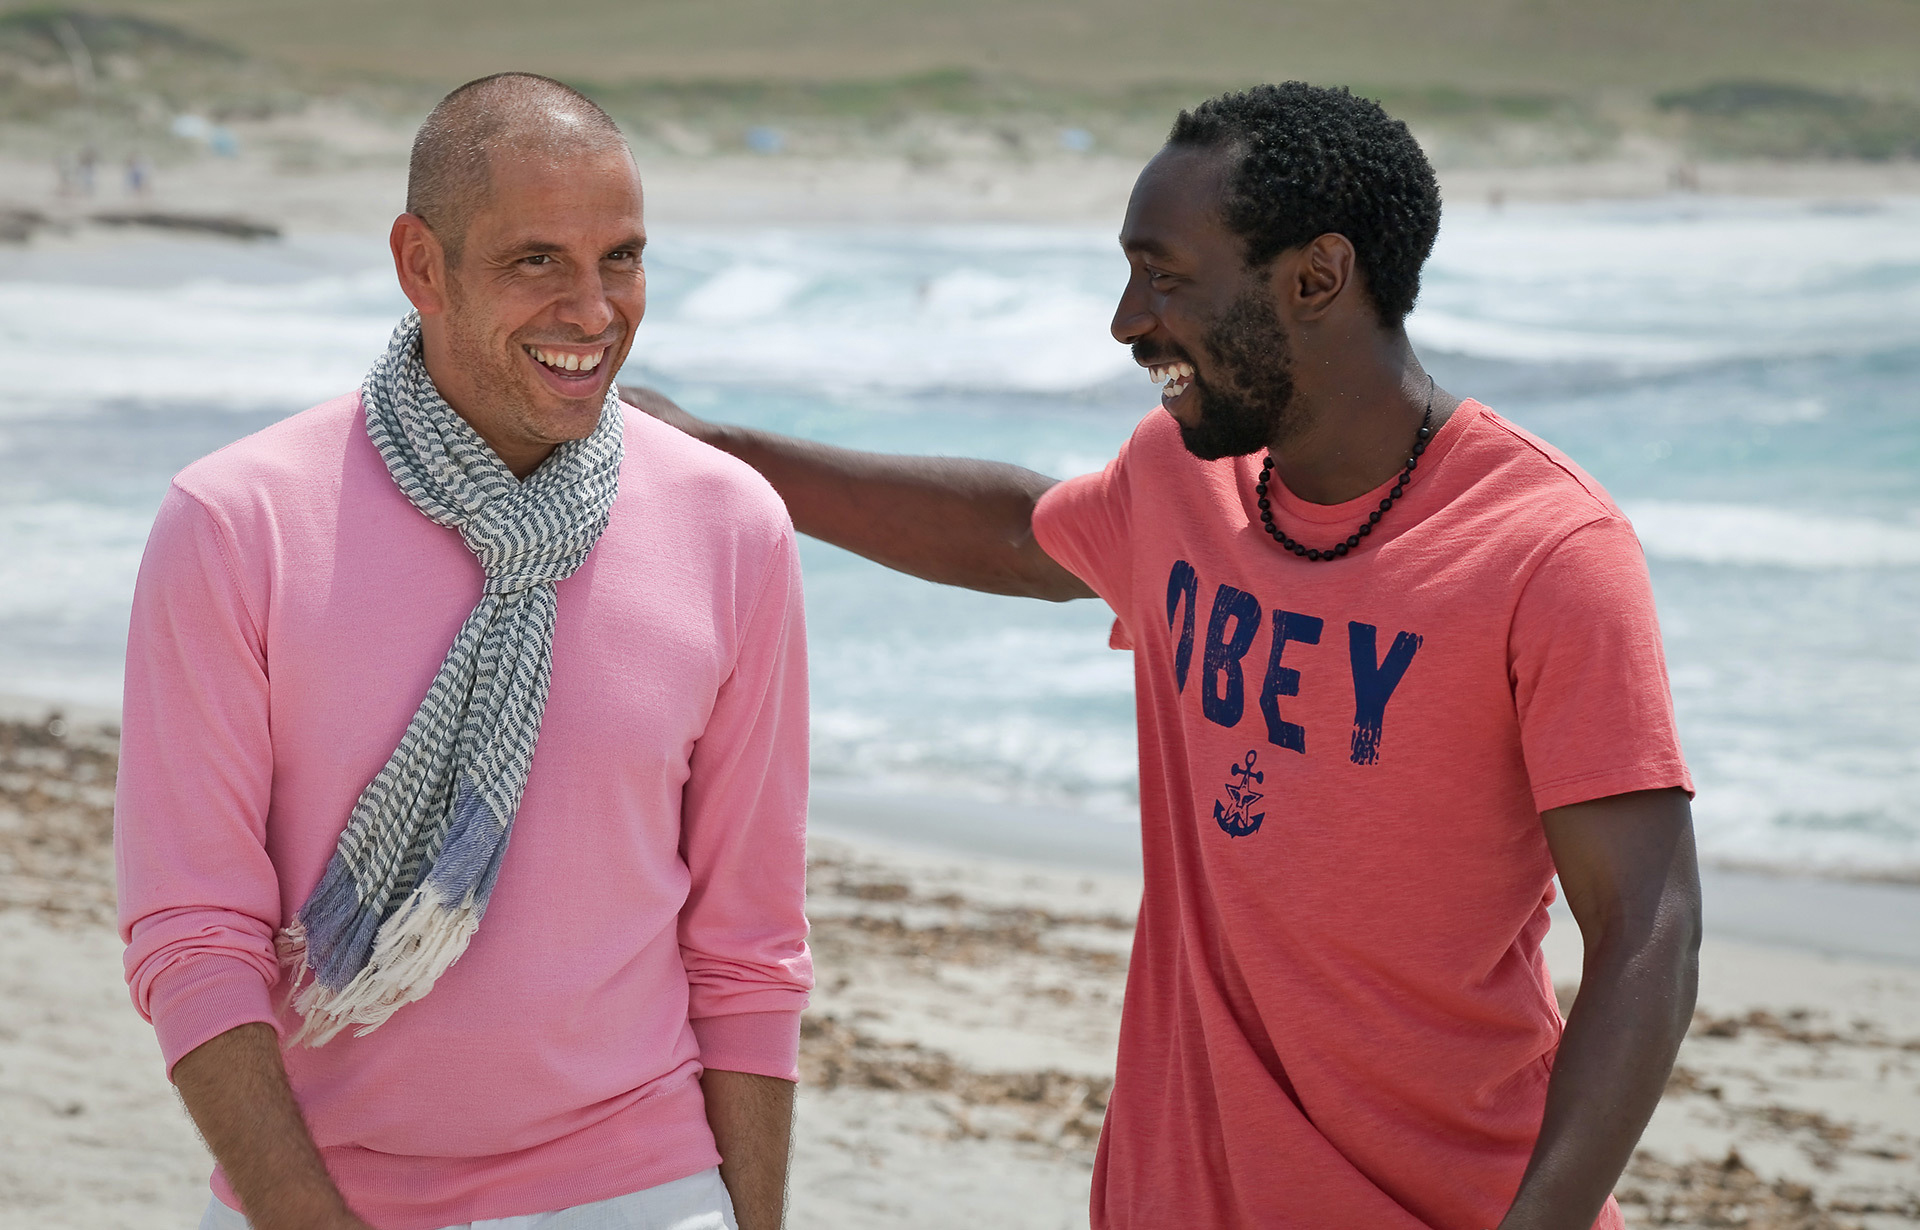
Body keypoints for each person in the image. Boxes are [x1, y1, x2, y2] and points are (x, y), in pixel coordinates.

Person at [628, 83, 1700, 1230]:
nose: (1127, 319)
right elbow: (1020, 533)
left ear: (1317, 278)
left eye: (1165, 276)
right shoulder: (1185, 479)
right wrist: (718, 450)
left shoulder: (1546, 552)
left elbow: (1647, 925)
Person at [115, 74, 810, 1230]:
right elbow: (192, 933)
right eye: (537, 260)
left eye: (622, 258)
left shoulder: (731, 528)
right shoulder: (239, 524)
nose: (593, 311)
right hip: (311, 1195)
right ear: (420, 265)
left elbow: (749, 946)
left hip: (641, 1185)